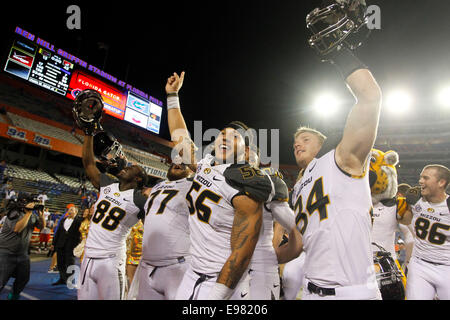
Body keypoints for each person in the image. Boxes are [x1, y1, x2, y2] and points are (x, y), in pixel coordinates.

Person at [290, 7, 383, 299]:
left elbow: (370, 97)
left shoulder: (342, 159)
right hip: (310, 288)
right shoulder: (296, 186)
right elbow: (297, 243)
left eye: (305, 138)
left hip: (351, 292)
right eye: (294, 142)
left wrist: (338, 52)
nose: (297, 144)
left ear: (322, 144)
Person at [163, 71, 274, 300]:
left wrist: (218, 295)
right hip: (192, 273)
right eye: (222, 134)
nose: (224, 137)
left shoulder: (244, 182)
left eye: (234, 137)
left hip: (222, 281)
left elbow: (243, 251)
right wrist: (173, 95)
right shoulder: (204, 164)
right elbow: (179, 136)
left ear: (246, 150)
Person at [77, 129, 147, 300]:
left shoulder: (139, 199)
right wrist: (88, 134)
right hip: (88, 258)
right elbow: (88, 164)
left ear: (138, 179)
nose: (126, 167)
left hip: (111, 261)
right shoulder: (108, 184)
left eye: (131, 168)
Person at [400, 164, 450, 300]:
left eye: (426, 178)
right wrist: (401, 210)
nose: (420, 181)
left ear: (441, 182)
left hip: (447, 267)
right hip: (420, 265)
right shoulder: (415, 200)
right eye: (421, 177)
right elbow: (405, 221)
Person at [0, 194, 45, 300]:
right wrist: (29, 212)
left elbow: (41, 227)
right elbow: (17, 229)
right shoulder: (14, 212)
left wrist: (41, 215)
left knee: (23, 278)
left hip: (22, 253)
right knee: (1, 281)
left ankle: (13, 296)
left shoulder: (32, 215)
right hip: (6, 252)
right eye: (30, 201)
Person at [51, 205, 83, 286]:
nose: (70, 211)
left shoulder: (79, 221)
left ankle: (70, 280)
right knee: (60, 263)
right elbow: (58, 232)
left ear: (76, 211)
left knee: (70, 263)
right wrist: (53, 243)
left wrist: (77, 244)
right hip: (60, 244)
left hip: (71, 245)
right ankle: (62, 279)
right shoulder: (63, 220)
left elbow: (80, 234)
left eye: (71, 210)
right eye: (69, 209)